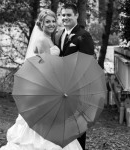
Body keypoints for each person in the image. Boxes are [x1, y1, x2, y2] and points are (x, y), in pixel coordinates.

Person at [0, 9, 82, 150]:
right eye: (47, 22)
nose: (51, 24)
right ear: (41, 24)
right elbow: (47, 68)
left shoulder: (49, 38)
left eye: (53, 21)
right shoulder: (43, 40)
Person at [54, 3, 95, 150]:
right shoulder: (59, 35)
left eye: (69, 15)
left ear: (76, 15)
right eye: (63, 15)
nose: (65, 18)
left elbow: (88, 64)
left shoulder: (83, 36)